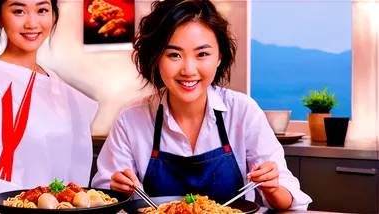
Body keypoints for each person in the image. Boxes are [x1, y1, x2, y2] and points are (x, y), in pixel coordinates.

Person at [91, 0, 312, 210]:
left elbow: (288, 200)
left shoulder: (243, 112)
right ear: (156, 58)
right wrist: (118, 189)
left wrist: (271, 187)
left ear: (219, 58)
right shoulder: (131, 119)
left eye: (202, 54)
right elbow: (102, 198)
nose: (188, 69)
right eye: (174, 54)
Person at [0, 0, 98, 203]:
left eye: (42, 10)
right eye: (19, 11)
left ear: (53, 14)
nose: (32, 23)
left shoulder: (55, 84)